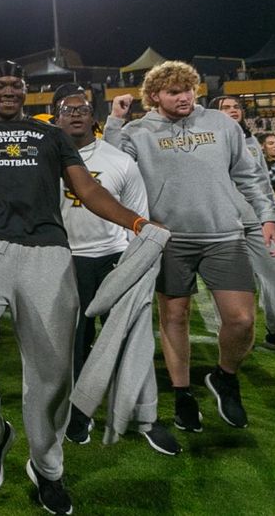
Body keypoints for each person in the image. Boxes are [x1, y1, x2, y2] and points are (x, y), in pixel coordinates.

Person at [0, 61, 152, 515]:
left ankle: (47, 467)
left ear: (26, 92)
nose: (8, 92)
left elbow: (88, 190)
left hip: (47, 249)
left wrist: (137, 221)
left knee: (52, 370)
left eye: (15, 86)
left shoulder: (51, 135)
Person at [106, 63, 275, 433]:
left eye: (189, 89)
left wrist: (268, 216)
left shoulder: (222, 124)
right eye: (174, 92)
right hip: (170, 239)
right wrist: (114, 121)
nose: (185, 97)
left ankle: (225, 376)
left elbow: (249, 176)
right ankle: (183, 394)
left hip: (224, 234)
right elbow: (112, 167)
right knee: (175, 317)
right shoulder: (138, 131)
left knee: (242, 320)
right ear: (154, 95)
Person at [53, 90, 181, 455]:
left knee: (131, 342)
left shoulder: (119, 160)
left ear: (93, 115)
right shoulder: (46, 161)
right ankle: (78, 414)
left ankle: (145, 417)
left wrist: (135, 265)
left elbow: (136, 218)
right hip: (65, 261)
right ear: (55, 116)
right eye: (67, 110)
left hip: (113, 260)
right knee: (71, 345)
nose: (76, 115)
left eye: (83, 109)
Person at [211, 97, 275, 357]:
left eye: (236, 107)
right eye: (226, 107)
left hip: (258, 221)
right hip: (223, 223)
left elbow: (263, 183)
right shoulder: (208, 142)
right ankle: (227, 333)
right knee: (227, 282)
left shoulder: (250, 143)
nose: (233, 110)